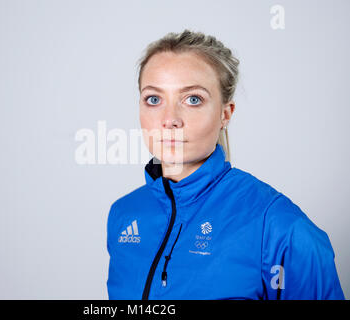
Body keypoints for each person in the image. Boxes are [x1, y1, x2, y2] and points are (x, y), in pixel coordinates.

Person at [106, 29, 345, 300]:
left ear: (225, 114)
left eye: (193, 99)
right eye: (154, 99)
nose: (169, 119)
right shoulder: (124, 214)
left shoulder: (279, 226)